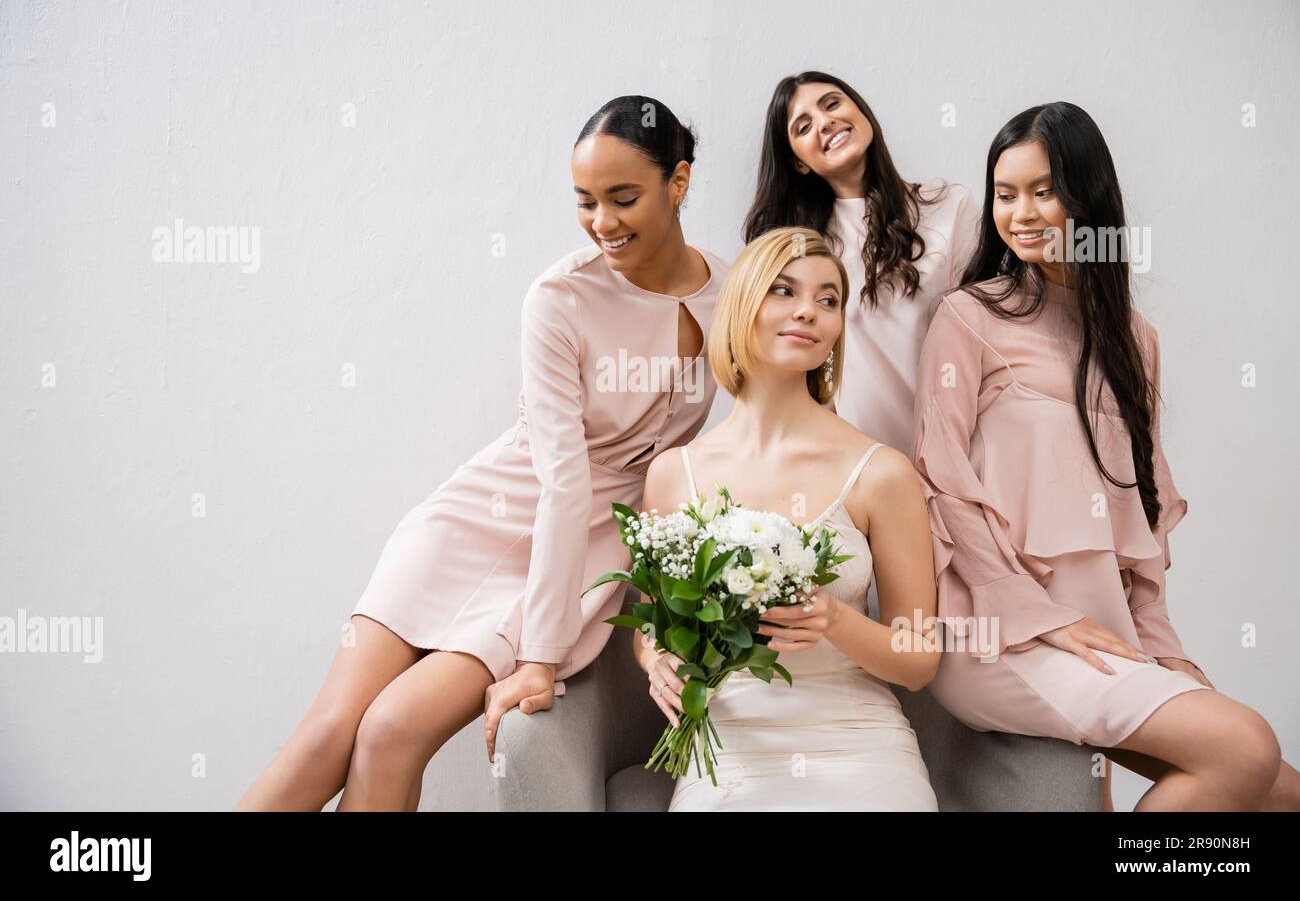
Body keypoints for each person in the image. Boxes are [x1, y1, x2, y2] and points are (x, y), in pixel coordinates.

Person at [237, 95, 731, 811]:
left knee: (392, 732)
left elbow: (769, 417)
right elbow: (562, 480)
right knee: (327, 734)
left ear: (678, 182)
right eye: (586, 201)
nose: (602, 223)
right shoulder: (560, 297)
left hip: (589, 545)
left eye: (623, 198)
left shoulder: (734, 295)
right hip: (481, 517)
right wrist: (537, 657)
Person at [914, 101, 1299, 810]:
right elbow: (943, 482)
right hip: (1001, 635)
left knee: (1283, 794)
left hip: (1103, 630)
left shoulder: (1134, 339)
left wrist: (1163, 647)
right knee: (1246, 744)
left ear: (1088, 198)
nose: (1020, 212)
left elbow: (1143, 521)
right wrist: (1036, 614)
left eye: (1043, 190)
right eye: (1005, 193)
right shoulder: (969, 317)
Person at [635, 226, 940, 811]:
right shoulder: (675, 473)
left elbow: (920, 663)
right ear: (742, 304)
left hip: (860, 746)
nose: (809, 312)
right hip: (728, 743)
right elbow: (651, 627)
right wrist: (660, 660)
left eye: (828, 300)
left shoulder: (881, 472)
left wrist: (834, 622)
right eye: (784, 291)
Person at [743, 70, 980, 460]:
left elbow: (989, 335)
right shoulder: (803, 248)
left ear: (862, 113)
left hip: (963, 450)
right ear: (798, 163)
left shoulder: (951, 207)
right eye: (803, 127)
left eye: (832, 104)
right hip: (859, 464)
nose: (825, 123)